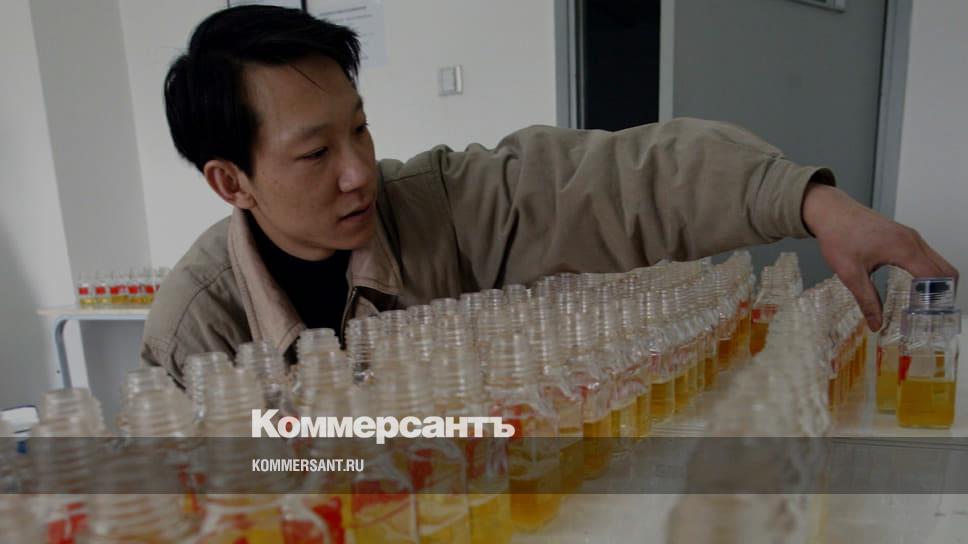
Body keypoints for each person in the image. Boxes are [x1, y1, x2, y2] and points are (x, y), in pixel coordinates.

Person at [142, 5, 957, 384]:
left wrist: (809, 203)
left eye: (360, 129)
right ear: (230, 180)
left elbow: (616, 181)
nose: (360, 170)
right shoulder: (197, 330)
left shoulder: (436, 206)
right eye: (316, 153)